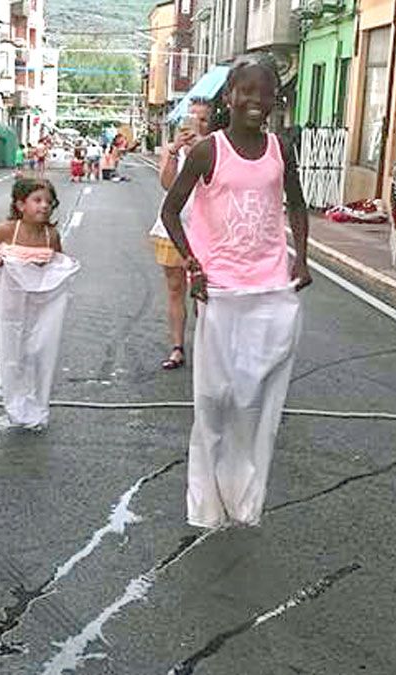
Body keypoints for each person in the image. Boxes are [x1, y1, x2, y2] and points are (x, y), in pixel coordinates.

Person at [160, 55, 312, 530]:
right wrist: (193, 264)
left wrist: (301, 257)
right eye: (245, 91)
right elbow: (171, 212)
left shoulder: (279, 148)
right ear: (229, 98)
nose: (255, 100)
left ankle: (245, 498)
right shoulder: (209, 151)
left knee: (257, 396)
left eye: (264, 93)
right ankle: (206, 501)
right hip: (221, 291)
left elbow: (298, 205)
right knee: (215, 399)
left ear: (274, 101)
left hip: (269, 288)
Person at [0, 178, 79, 430]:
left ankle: (35, 400)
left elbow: (59, 259)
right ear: (20, 205)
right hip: (12, 301)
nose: (44, 206)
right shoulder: (9, 229)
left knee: (38, 348)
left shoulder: (50, 235)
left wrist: (66, 268)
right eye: (37, 200)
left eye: (48, 202)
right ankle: (16, 400)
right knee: (14, 348)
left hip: (41, 302)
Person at [150, 97, 213, 371]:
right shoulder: (172, 150)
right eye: (192, 118)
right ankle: (177, 347)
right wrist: (175, 151)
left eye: (203, 120)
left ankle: (208, 347)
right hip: (173, 229)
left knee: (206, 292)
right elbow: (167, 184)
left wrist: (201, 148)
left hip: (207, 231)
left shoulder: (214, 149)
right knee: (176, 289)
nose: (196, 124)